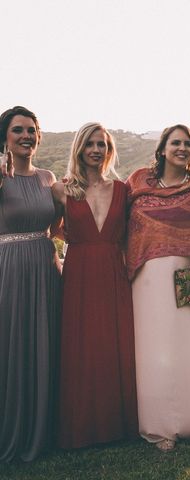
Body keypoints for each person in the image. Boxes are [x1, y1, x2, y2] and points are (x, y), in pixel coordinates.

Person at [126, 124, 190, 452]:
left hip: (186, 278)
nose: (182, 148)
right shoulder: (139, 181)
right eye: (175, 143)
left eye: (188, 144)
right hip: (146, 279)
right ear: (162, 149)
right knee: (152, 351)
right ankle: (159, 426)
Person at [52, 122, 138, 449]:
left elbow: (133, 232)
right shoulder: (62, 189)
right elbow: (52, 230)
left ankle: (116, 422)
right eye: (90, 144)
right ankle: (81, 424)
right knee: (81, 343)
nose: (96, 150)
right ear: (79, 148)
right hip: (79, 271)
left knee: (114, 341)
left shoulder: (122, 189)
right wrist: (80, 241)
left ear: (109, 150)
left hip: (114, 268)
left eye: (102, 144)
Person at [0, 106, 62, 462]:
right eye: (17, 130)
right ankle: (12, 428)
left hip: (45, 263)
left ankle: (44, 427)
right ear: (5, 137)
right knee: (11, 342)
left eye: (31, 131)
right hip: (9, 267)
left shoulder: (48, 178)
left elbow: (60, 225)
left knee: (44, 342)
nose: (26, 136)